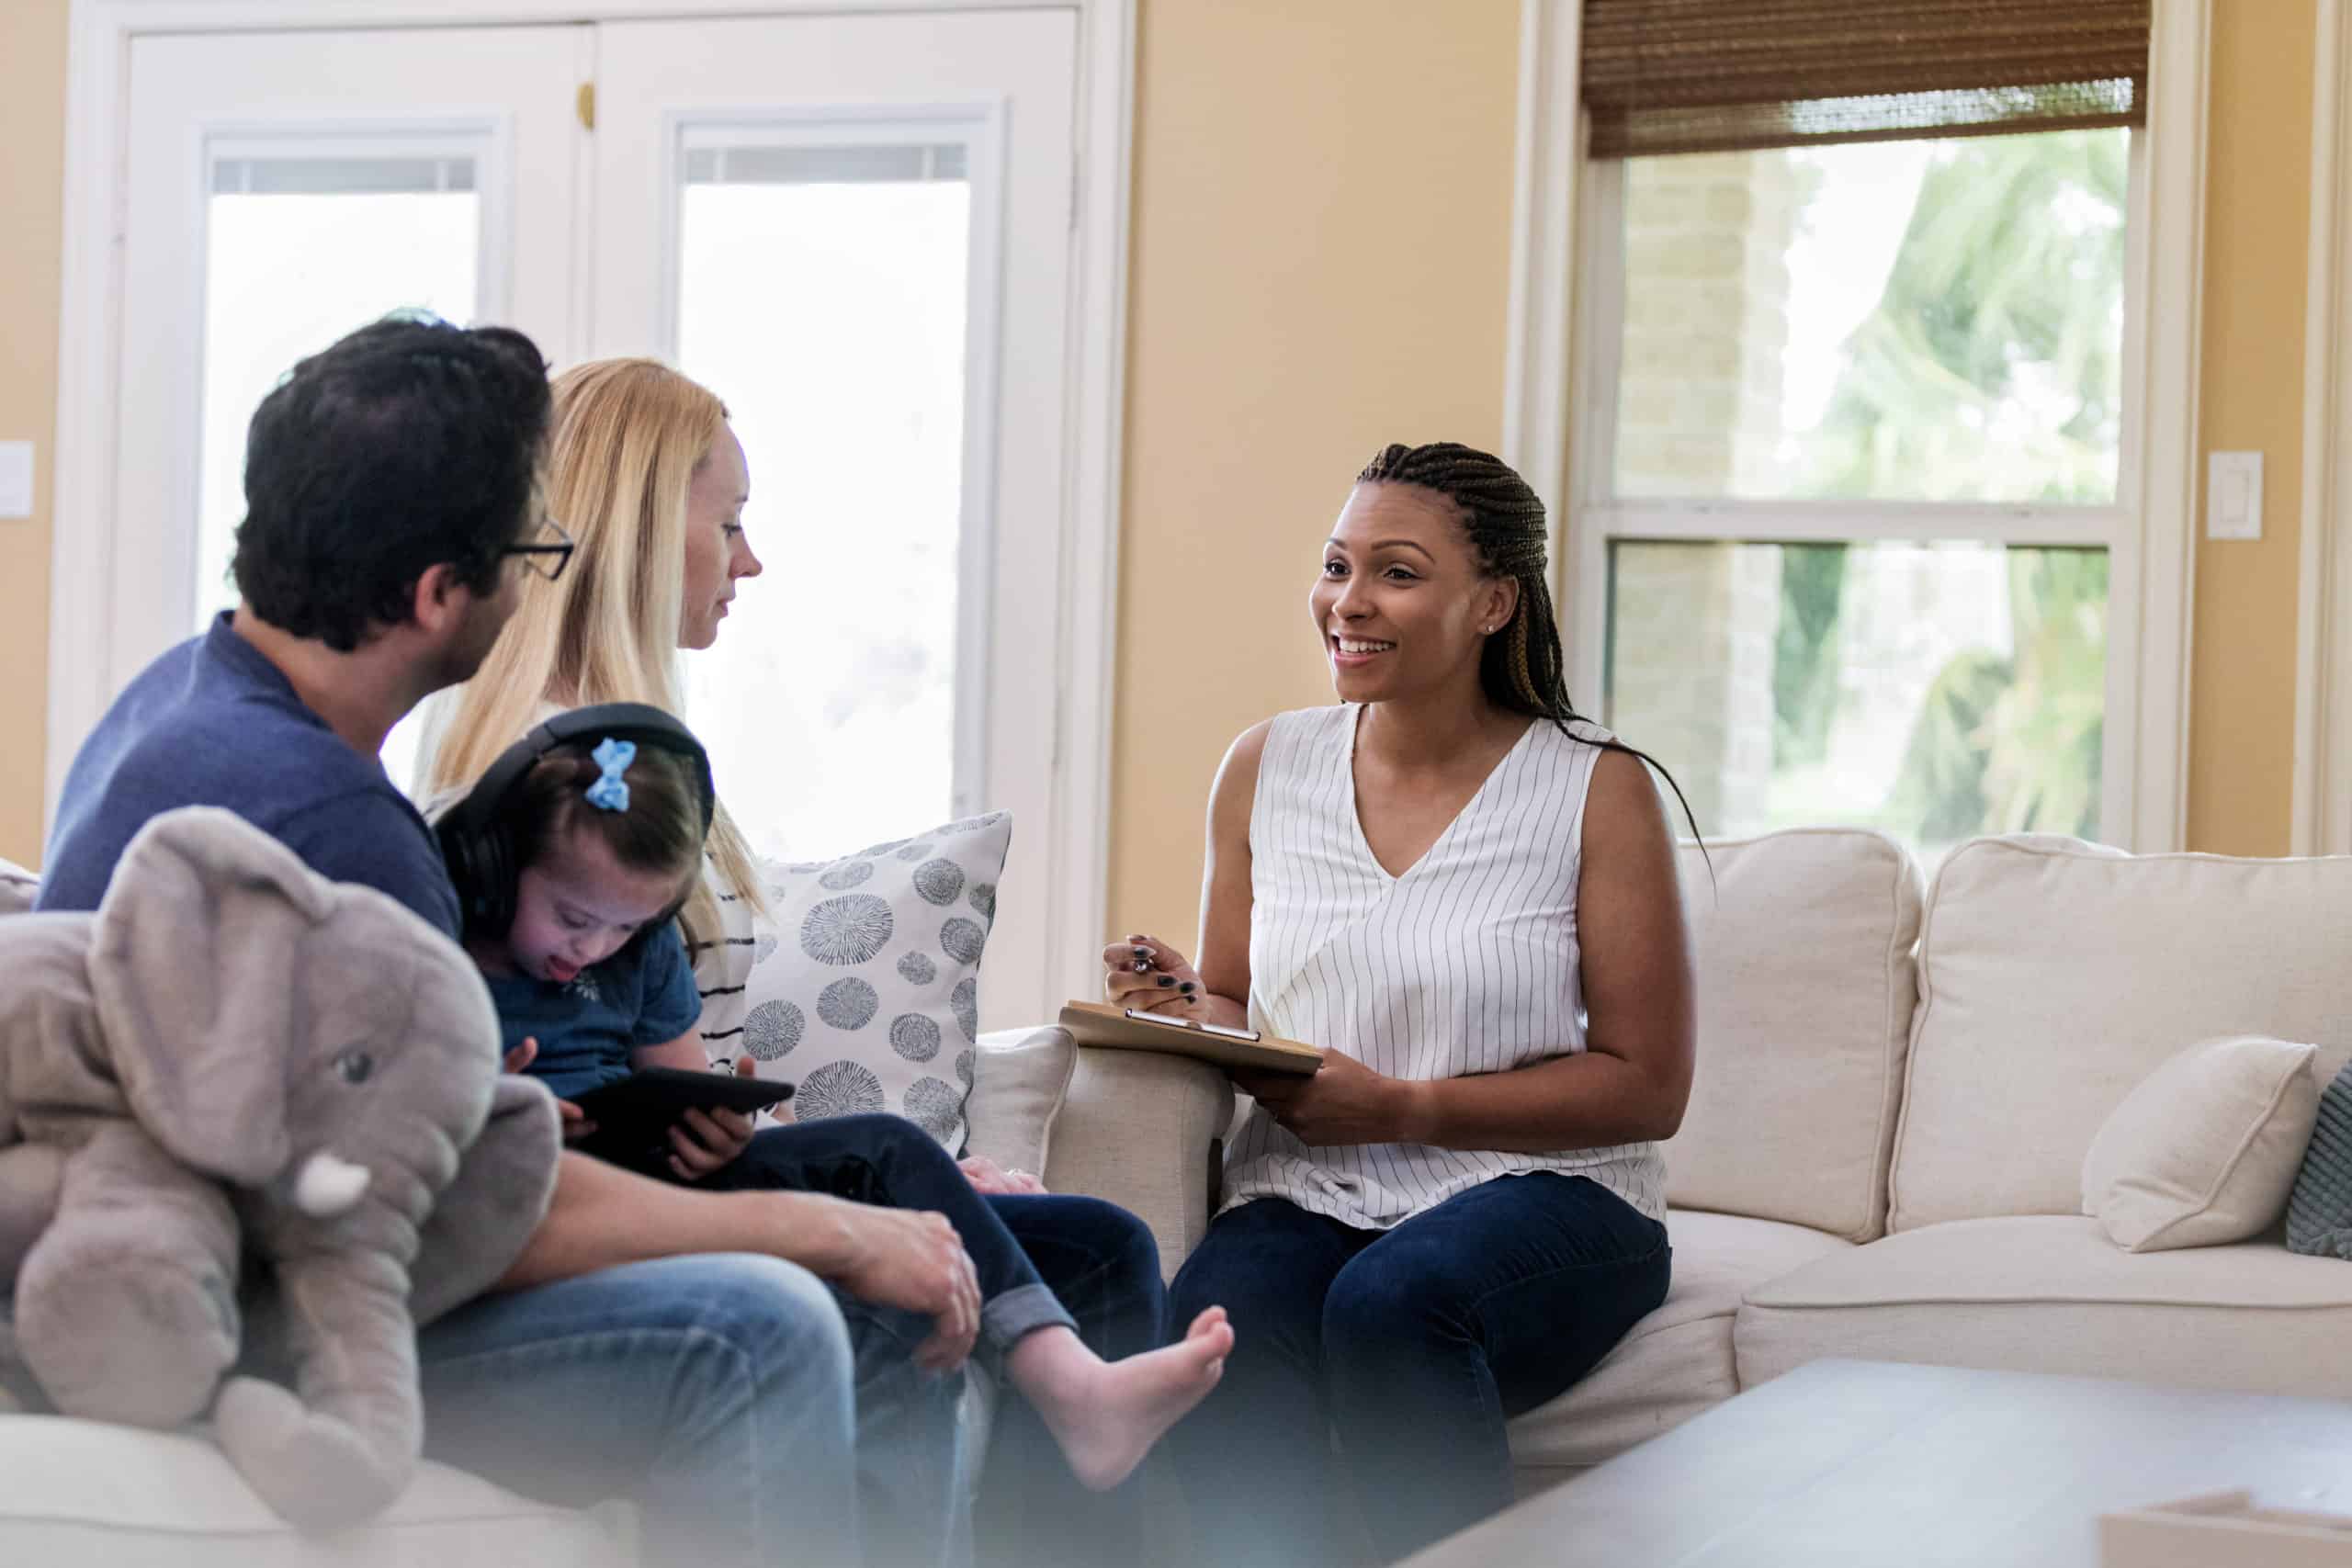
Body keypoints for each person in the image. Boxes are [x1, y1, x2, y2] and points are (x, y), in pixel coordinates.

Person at [38, 315, 982, 1568]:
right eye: (526, 549)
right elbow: (473, 1207)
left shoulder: (180, 693)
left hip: (197, 1247)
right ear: (438, 594)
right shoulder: (332, 824)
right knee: (763, 1322)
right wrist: (830, 1230)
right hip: (257, 1305)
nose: (541, 572)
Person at [419, 356, 1196, 1568]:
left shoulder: (655, 785)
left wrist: (923, 1192)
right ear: (634, 527)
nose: (750, 557)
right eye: (726, 520)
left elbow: (697, 1074)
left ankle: (1072, 1420)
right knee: (911, 1262)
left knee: (1100, 1245)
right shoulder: (513, 813)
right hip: (584, 1212)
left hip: (680, 1172)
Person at [1103, 442, 1697, 1567]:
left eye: (1397, 572)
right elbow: (1237, 999)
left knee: (1392, 1304)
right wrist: (1180, 1005)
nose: (1348, 602)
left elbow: (1648, 1085)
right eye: (1337, 565)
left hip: (1552, 1194)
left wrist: (1408, 1108)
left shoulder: (1595, 787)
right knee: (1215, 1327)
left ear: (1493, 604)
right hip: (1309, 1184)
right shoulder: (1265, 765)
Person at [452, 721, 1231, 1486]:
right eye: (574, 919)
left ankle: (1070, 1378)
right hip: (539, 1186)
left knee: (883, 1146)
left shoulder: (639, 947)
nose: (587, 949)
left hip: (654, 1170)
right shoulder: (445, 940)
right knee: (891, 1289)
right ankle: (1069, 1388)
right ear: (498, 868)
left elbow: (681, 1075)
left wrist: (721, 1130)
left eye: (622, 929)